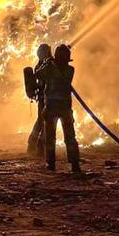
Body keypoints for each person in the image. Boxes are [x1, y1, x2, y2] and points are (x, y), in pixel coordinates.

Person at [36, 44, 80, 174]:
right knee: (70, 137)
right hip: (65, 107)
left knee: (50, 138)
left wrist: (47, 62)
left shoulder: (50, 68)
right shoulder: (70, 70)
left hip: (51, 107)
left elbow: (38, 74)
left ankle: (51, 163)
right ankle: (75, 164)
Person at [25, 43, 52, 156]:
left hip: (48, 98)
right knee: (44, 121)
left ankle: (35, 144)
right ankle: (37, 145)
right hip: (45, 99)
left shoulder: (44, 65)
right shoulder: (42, 67)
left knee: (42, 121)